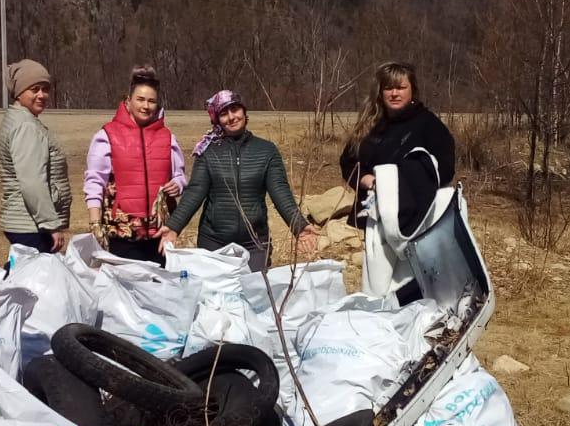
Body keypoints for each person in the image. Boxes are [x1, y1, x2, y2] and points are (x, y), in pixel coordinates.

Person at [158, 90, 318, 271]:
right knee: (215, 297)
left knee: (255, 295)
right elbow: (195, 191)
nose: (231, 117)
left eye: (235, 110)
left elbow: (280, 192)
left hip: (255, 243)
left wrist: (300, 227)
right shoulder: (209, 151)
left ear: (244, 112)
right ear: (217, 119)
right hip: (214, 242)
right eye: (224, 113)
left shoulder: (266, 151)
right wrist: (174, 227)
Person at [83, 65, 187, 265]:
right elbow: (95, 181)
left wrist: (179, 184)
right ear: (128, 101)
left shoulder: (167, 137)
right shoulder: (107, 135)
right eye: (140, 99)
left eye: (151, 101)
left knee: (157, 290)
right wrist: (95, 222)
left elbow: (180, 175)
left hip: (159, 235)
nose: (146, 106)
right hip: (122, 234)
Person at [340, 61, 456, 230]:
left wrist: (399, 184)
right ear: (380, 92)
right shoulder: (370, 123)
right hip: (370, 216)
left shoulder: (429, 124)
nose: (394, 93)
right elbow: (348, 163)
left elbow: (444, 170)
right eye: (388, 88)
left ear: (412, 90)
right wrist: (370, 181)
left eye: (401, 87)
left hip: (413, 221)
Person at [0, 58, 71, 253]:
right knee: (37, 281)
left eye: (45, 89)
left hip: (27, 222)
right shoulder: (26, 126)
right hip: (31, 225)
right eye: (35, 89)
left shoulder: (21, 120)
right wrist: (50, 224)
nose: (41, 95)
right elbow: (32, 181)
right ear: (19, 92)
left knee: (25, 276)